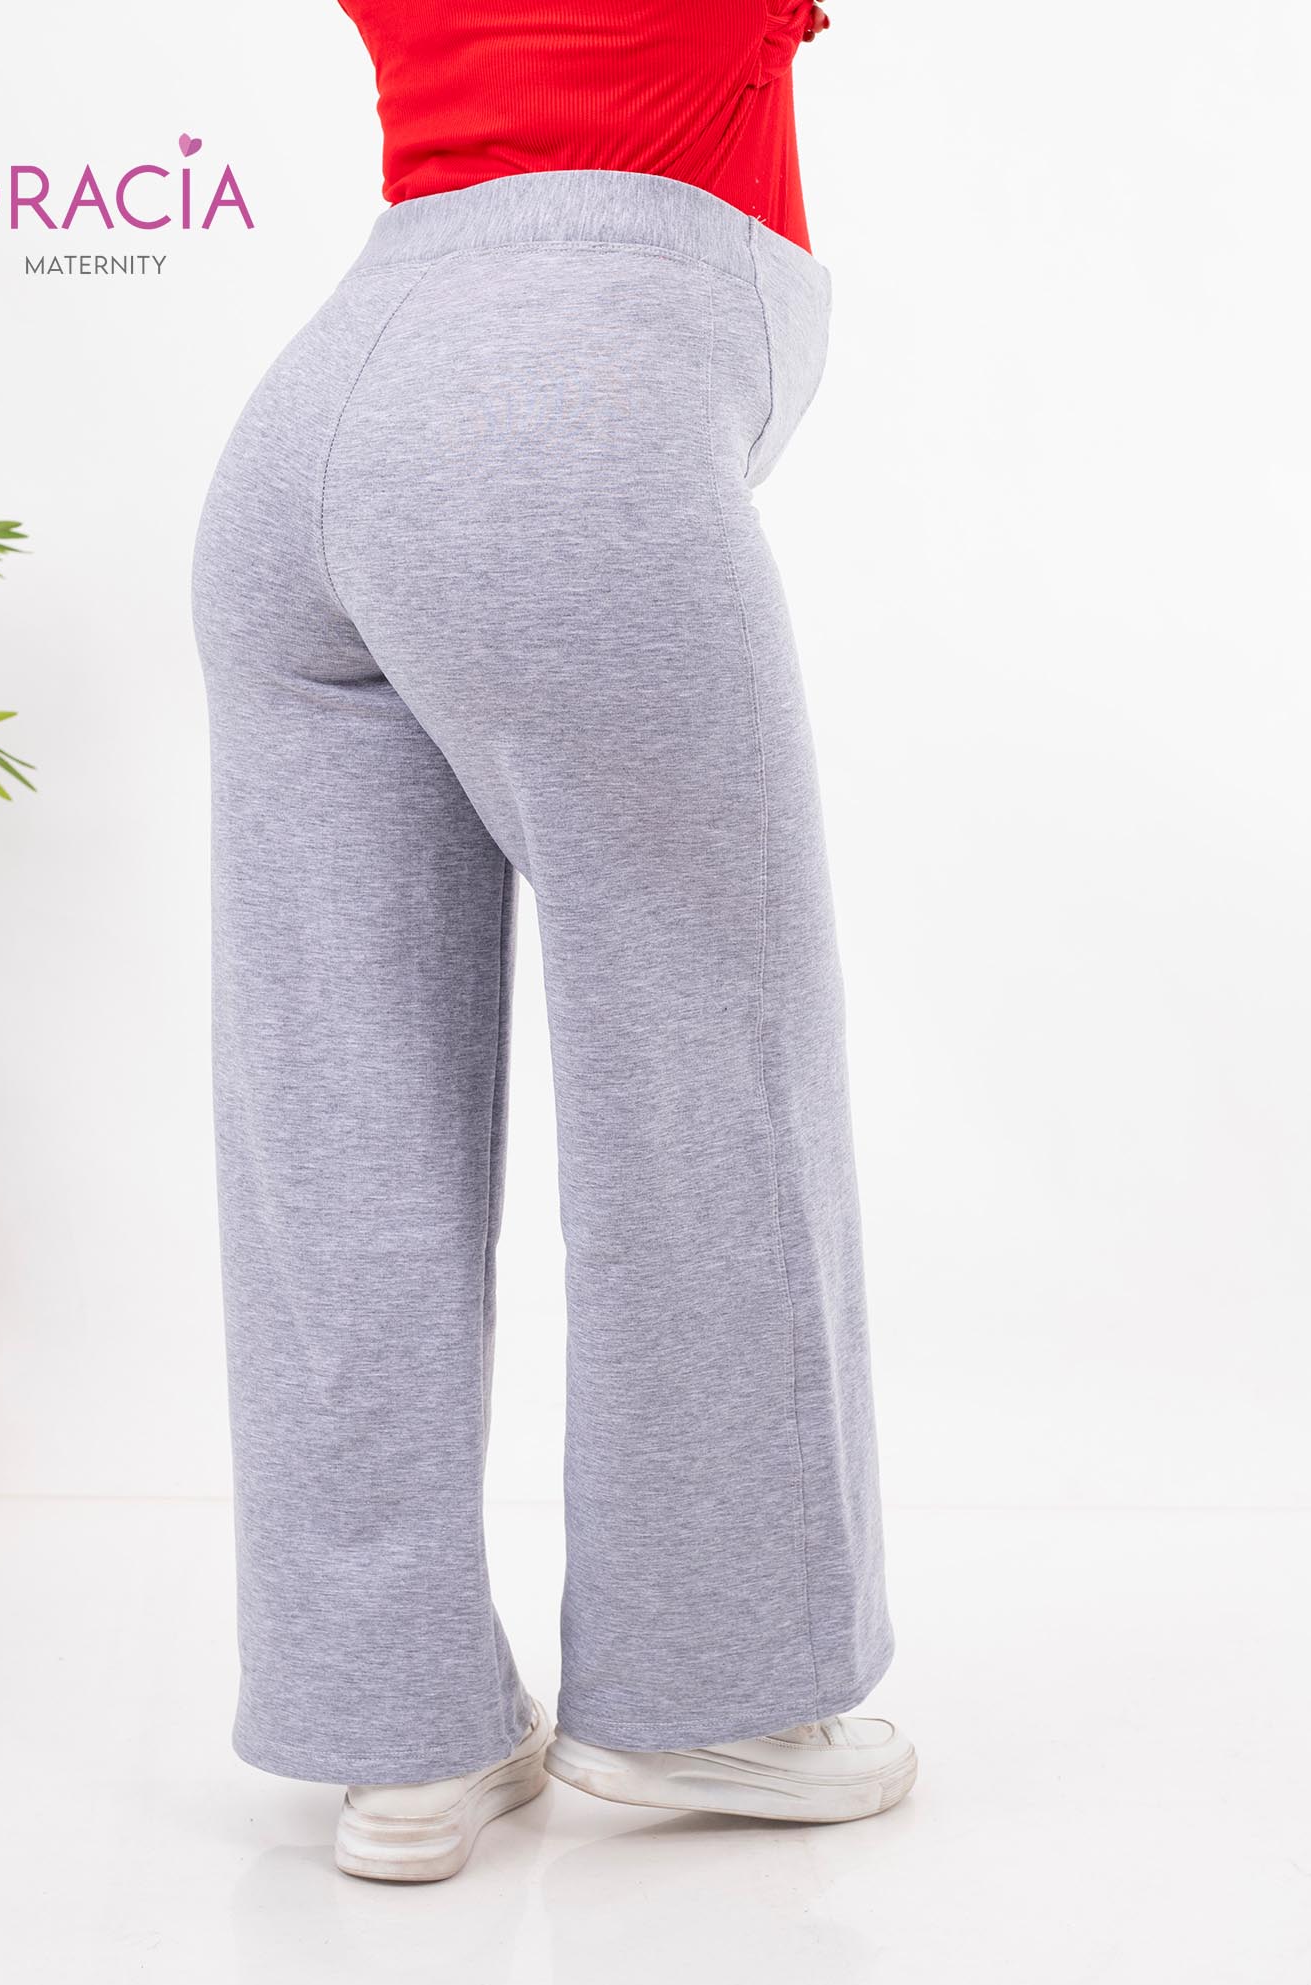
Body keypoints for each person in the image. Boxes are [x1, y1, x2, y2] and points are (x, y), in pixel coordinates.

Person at [192, 0, 915, 1883]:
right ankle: (716, 1697)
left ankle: (394, 1737)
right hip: (561, 402)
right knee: (704, 1039)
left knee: (336, 1108)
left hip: (312, 414)